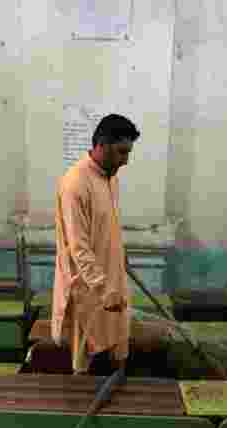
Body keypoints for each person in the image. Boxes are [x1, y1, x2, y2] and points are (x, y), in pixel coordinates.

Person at [51, 113, 140, 379]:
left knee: (118, 342)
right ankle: (80, 403)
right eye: (122, 152)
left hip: (111, 280)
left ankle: (118, 398)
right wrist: (103, 288)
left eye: (128, 152)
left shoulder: (110, 177)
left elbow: (108, 227)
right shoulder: (75, 183)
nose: (126, 160)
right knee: (85, 357)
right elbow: (78, 247)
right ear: (102, 144)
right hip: (87, 287)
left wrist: (120, 257)